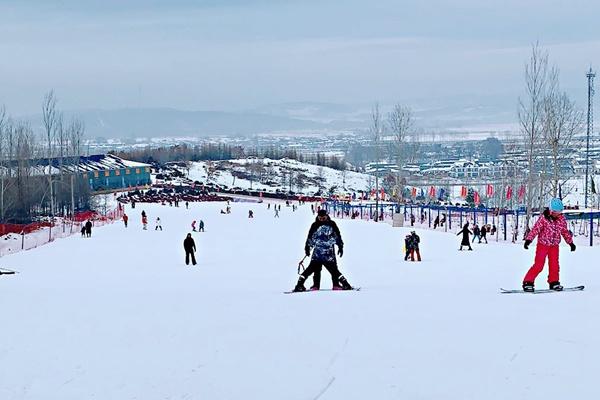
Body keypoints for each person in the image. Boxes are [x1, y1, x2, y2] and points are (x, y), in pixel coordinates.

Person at [292, 209, 353, 292]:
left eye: (323, 218)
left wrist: (340, 246)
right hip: (324, 253)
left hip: (324, 253)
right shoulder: (315, 225)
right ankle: (337, 284)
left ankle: (304, 285)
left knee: (317, 269)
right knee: (331, 270)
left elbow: (337, 235)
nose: (322, 220)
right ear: (318, 217)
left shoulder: (331, 224)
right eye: (320, 218)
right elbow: (310, 237)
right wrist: (307, 247)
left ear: (326, 216)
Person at [522, 198, 575, 292]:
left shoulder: (561, 219)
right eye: (555, 212)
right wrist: (528, 240)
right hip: (543, 245)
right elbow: (535, 229)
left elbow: (565, 232)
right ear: (550, 210)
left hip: (554, 246)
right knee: (539, 265)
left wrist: (570, 243)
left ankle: (554, 282)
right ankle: (528, 282)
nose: (557, 214)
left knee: (554, 264)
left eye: (559, 212)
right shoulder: (544, 219)